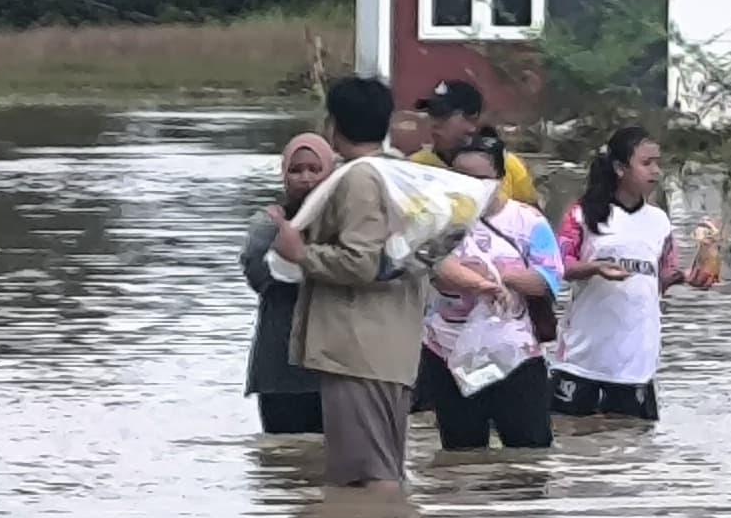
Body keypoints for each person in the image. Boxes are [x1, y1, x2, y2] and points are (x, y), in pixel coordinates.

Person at [273, 76, 432, 487]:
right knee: (382, 469)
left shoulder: (360, 179)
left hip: (357, 349)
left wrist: (301, 253)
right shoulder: (404, 173)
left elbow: (361, 262)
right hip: (392, 346)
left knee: (366, 478)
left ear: (333, 125)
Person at [551, 126, 718, 422]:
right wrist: (595, 267)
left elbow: (659, 280)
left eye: (658, 163)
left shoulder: (660, 221)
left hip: (635, 363)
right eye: (646, 163)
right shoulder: (584, 214)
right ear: (619, 168)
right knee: (571, 449)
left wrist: (688, 278)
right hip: (582, 359)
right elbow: (560, 267)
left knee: (634, 453)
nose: (655, 171)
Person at [413, 130, 563, 450]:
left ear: (500, 177)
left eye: (480, 178)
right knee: (461, 459)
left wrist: (504, 278)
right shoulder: (439, 220)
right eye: (460, 177)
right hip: (448, 355)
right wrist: (479, 282)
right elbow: (434, 269)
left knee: (529, 456)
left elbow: (548, 280)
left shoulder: (528, 221)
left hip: (517, 355)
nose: (469, 187)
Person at [240, 133, 335, 436]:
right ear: (284, 176)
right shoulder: (267, 224)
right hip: (278, 363)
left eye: (314, 169)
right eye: (296, 170)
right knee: (282, 464)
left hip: (334, 365)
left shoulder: (347, 222)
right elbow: (259, 277)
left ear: (330, 173)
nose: (305, 179)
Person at [409, 77, 539, 211]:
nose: (434, 123)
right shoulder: (415, 167)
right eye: (432, 114)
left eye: (442, 114)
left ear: (472, 120)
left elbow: (535, 222)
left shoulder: (509, 166)